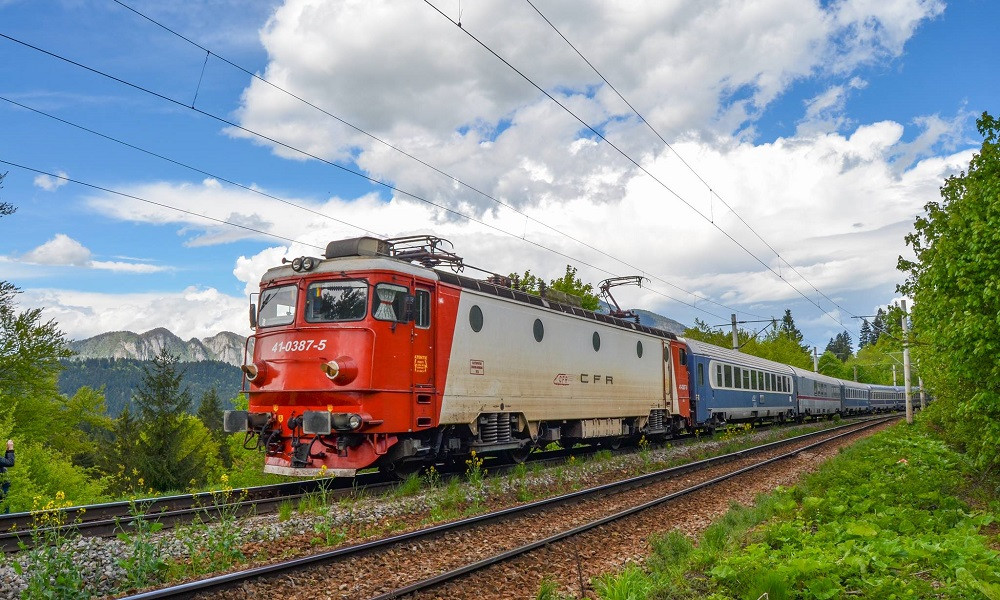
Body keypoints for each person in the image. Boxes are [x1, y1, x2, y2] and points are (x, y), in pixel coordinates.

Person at [0, 440, 13, 513]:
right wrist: (11, 448)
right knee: (5, 506)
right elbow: (10, 462)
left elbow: (4, 462)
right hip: (2, 486)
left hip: (3, 485)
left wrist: (8, 451)